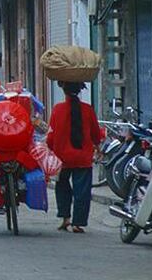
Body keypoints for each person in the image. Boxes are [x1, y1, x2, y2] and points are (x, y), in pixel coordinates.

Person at [47, 81, 102, 234]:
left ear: (64, 91)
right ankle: (78, 223)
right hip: (82, 157)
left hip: (62, 157)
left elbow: (51, 136)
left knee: (62, 187)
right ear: (79, 91)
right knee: (82, 191)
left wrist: (50, 149)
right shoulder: (88, 109)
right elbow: (95, 134)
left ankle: (66, 218)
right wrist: (98, 147)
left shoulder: (58, 109)